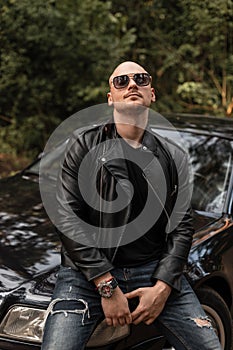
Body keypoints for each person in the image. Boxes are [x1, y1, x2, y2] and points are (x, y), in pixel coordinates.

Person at [41, 61, 222, 350]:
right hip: (87, 275)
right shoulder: (83, 145)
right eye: (121, 81)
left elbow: (182, 225)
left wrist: (163, 287)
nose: (132, 84)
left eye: (140, 78)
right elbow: (66, 217)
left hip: (152, 271)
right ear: (110, 97)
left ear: (152, 93)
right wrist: (106, 284)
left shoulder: (174, 156)